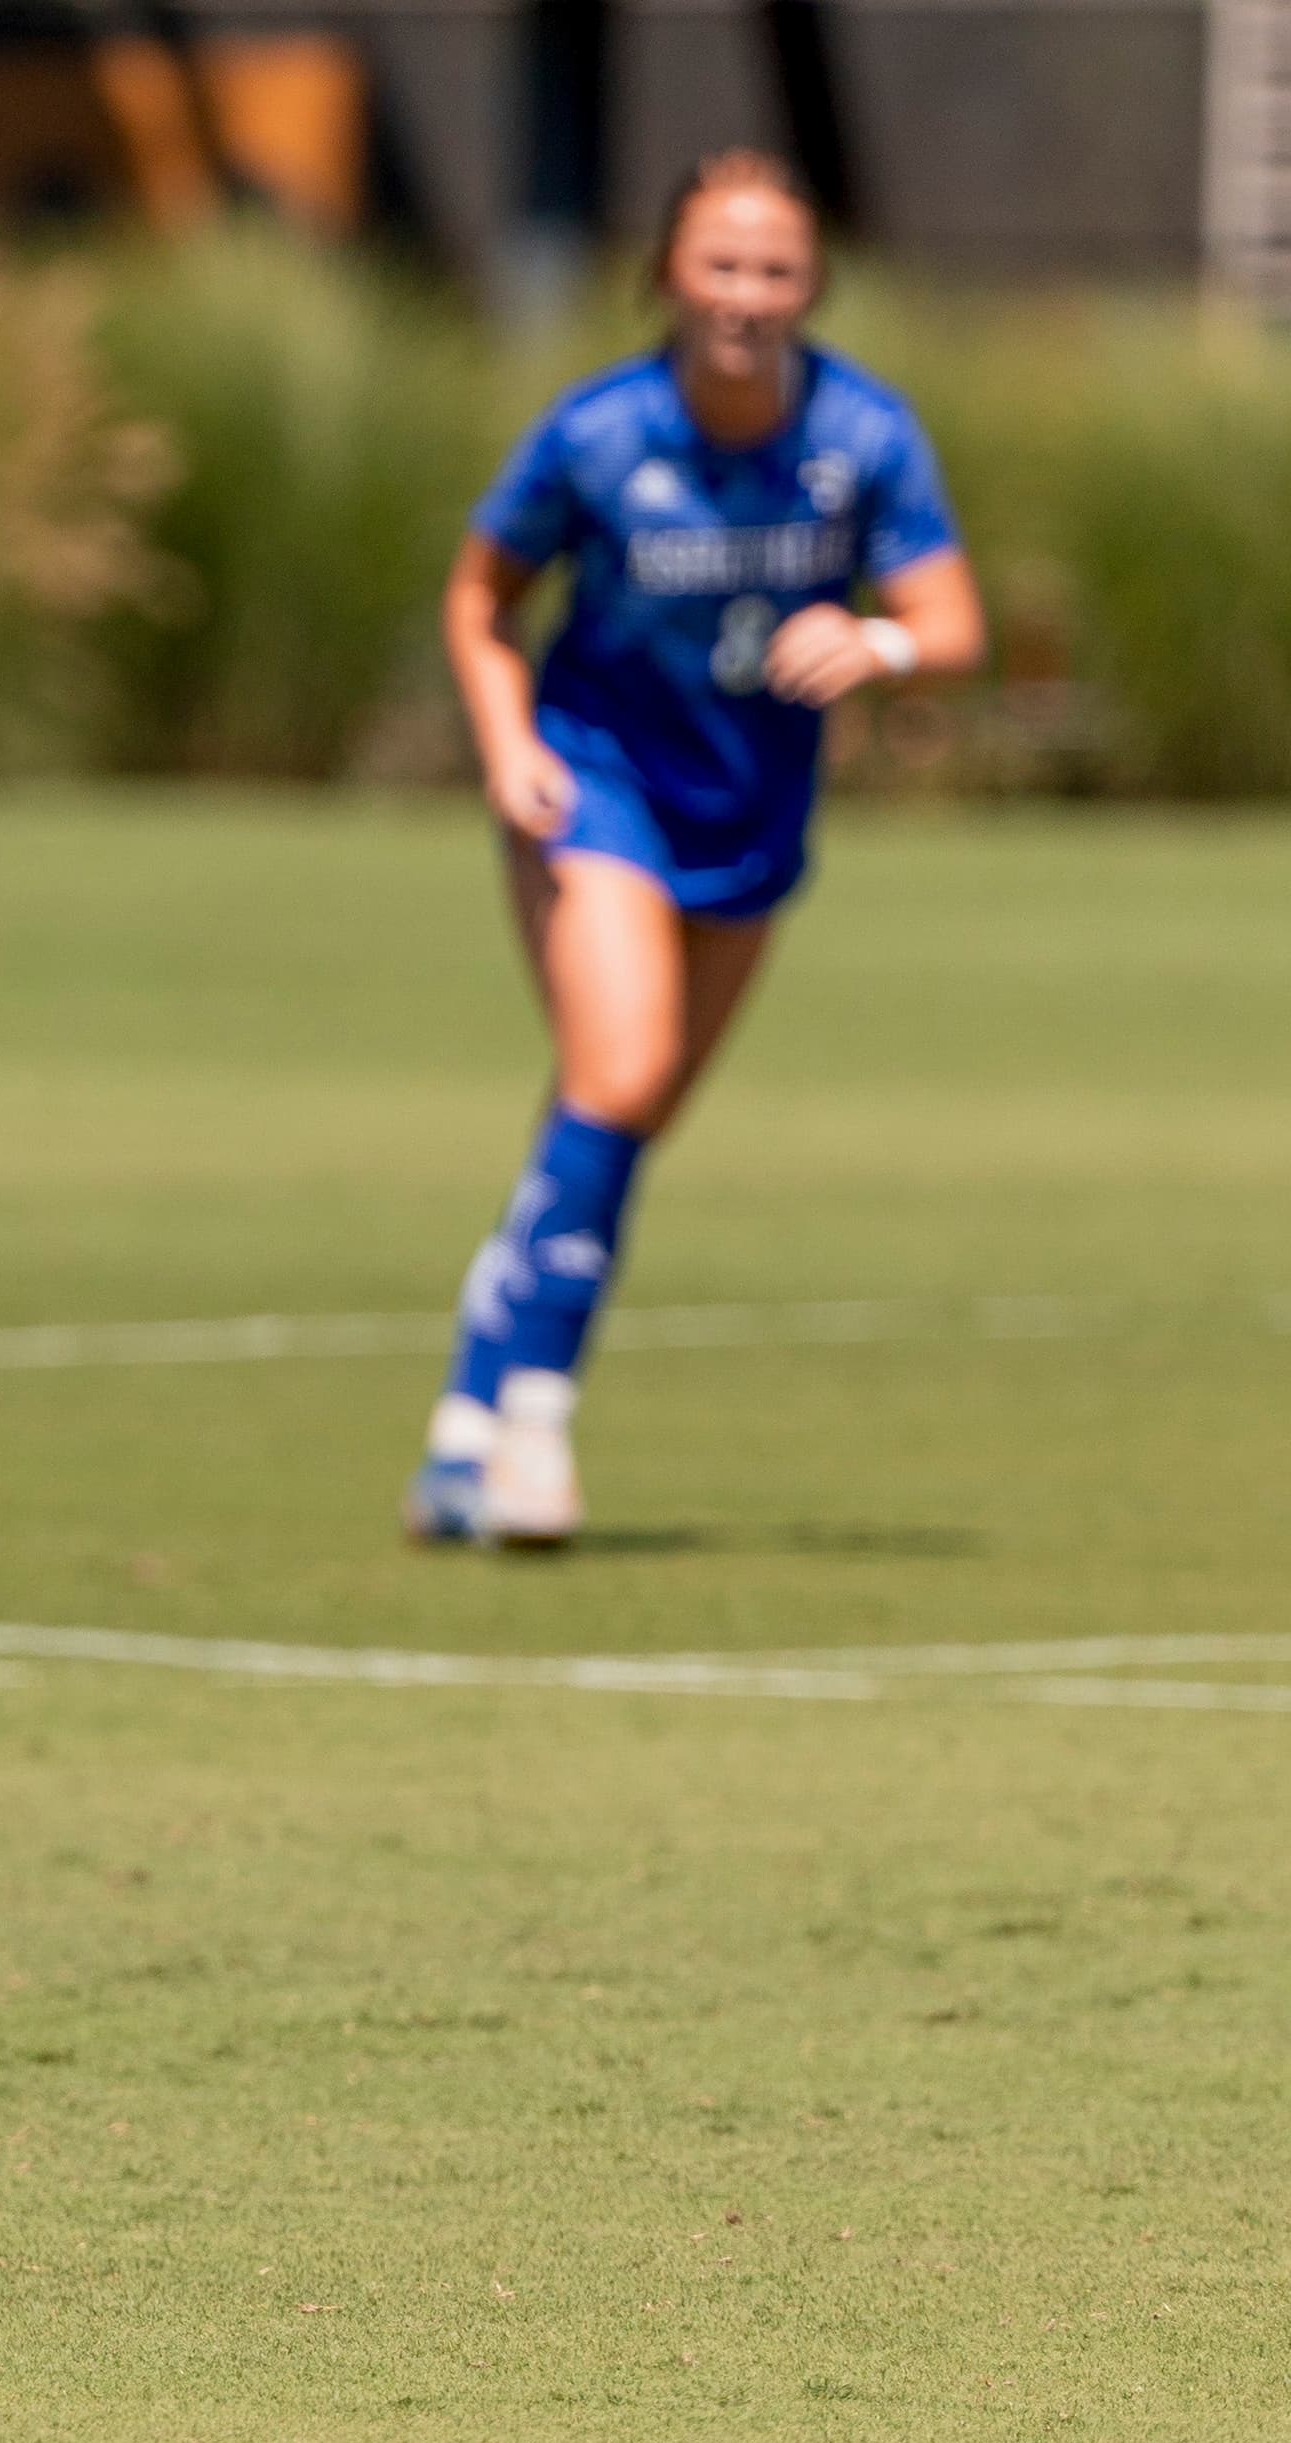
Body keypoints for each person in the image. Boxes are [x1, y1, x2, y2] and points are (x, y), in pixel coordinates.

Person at [406, 150, 983, 1547]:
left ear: (813, 286)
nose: (745, 295)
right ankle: (534, 1424)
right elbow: (480, 602)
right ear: (667, 273)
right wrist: (509, 750)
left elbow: (956, 626)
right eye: (719, 265)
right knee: (622, 1069)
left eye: (775, 269)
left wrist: (881, 639)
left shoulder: (864, 435)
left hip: (750, 813)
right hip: (594, 786)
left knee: (622, 1120)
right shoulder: (598, 434)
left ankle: (465, 1418)